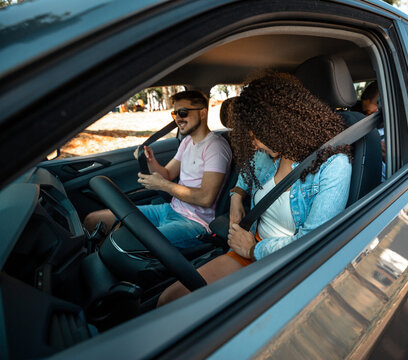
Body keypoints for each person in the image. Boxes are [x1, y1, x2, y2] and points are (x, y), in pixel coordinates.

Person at [157, 72, 352, 306]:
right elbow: (245, 177)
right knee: (170, 299)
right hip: (250, 243)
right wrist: (236, 197)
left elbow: (313, 243)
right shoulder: (267, 154)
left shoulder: (333, 165)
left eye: (256, 135)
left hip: (288, 264)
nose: (253, 144)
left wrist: (253, 250)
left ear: (279, 126)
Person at [83, 90, 232, 249]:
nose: (178, 119)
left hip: (195, 223)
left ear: (203, 113)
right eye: (175, 114)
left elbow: (205, 198)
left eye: (183, 112)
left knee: (124, 244)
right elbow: (167, 174)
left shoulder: (215, 147)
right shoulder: (188, 141)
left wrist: (162, 185)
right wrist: (150, 160)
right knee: (95, 220)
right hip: (170, 209)